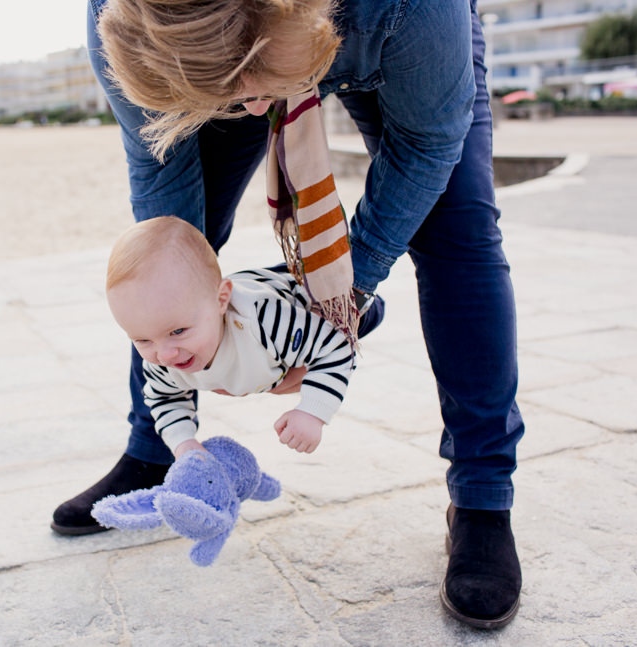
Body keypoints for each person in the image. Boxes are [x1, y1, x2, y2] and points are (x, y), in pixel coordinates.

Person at [53, 0, 524, 630]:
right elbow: (164, 218)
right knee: (171, 261)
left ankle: (483, 497)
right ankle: (160, 451)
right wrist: (196, 352)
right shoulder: (129, 28)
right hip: (220, 47)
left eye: (245, 92)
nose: (252, 115)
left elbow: (428, 144)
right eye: (230, 99)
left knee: (457, 233)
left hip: (379, 27)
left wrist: (344, 296)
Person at [106, 216, 358, 458]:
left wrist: (312, 413)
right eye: (142, 340)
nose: (165, 354)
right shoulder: (161, 358)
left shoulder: (261, 319)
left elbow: (335, 348)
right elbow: (163, 398)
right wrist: (184, 443)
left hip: (307, 301)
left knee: (360, 292)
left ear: (221, 300)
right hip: (272, 350)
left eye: (178, 331)